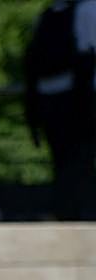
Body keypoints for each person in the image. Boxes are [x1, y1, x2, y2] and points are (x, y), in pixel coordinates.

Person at [24, 0, 96, 220]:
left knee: (65, 161)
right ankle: (71, 213)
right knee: (77, 160)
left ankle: (65, 212)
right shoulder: (86, 9)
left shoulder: (49, 14)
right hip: (76, 99)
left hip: (50, 100)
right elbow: (87, 55)